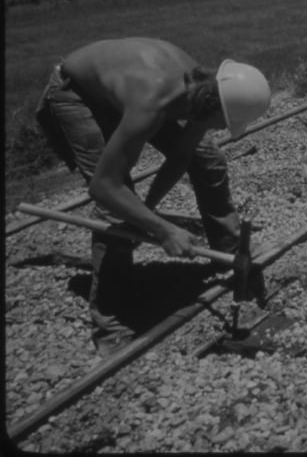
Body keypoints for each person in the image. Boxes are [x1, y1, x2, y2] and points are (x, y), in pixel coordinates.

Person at [34, 37, 271, 356]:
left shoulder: (202, 89)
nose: (222, 129)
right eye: (225, 123)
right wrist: (163, 230)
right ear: (214, 106)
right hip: (74, 93)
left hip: (123, 94)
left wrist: (146, 213)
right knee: (116, 205)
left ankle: (230, 258)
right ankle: (110, 325)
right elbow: (104, 187)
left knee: (208, 160)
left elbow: (182, 155)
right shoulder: (154, 101)